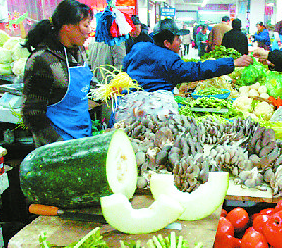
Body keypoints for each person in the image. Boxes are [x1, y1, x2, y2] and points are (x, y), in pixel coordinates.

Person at [22, 0, 93, 147]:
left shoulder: (79, 51)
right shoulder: (42, 60)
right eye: (85, 25)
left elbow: (84, 85)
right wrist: (58, 145)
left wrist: (106, 90)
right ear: (67, 26)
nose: (89, 30)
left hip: (83, 136)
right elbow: (32, 114)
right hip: (57, 147)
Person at [123, 18, 253, 93]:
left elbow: (124, 67)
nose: (180, 43)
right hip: (152, 108)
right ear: (167, 43)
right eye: (177, 39)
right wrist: (233, 63)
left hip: (127, 102)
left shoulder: (139, 47)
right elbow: (198, 69)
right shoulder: (169, 59)